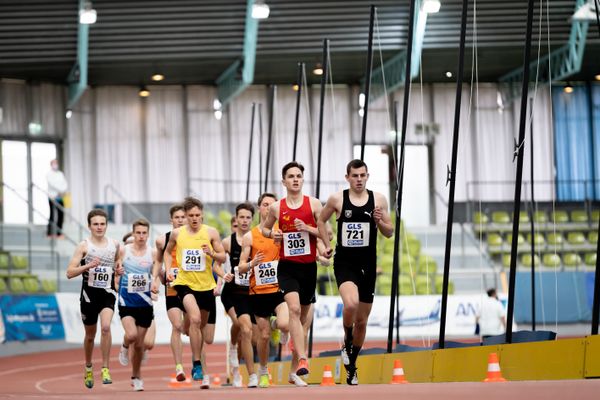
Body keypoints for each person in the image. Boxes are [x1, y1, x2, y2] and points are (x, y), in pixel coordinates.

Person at [318, 159, 393, 385]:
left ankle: (352, 363)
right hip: (345, 262)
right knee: (350, 304)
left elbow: (389, 232)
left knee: (362, 321)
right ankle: (347, 339)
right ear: (347, 177)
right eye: (355, 176)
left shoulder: (378, 199)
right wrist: (325, 243)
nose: (359, 180)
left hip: (368, 264)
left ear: (367, 176)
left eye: (362, 175)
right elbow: (321, 221)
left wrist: (380, 222)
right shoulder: (337, 199)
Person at [261, 161, 323, 378]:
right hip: (287, 267)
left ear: (303, 179)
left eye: (298, 176)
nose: (295, 179)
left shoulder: (314, 204)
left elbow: (327, 233)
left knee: (303, 316)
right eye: (291, 176)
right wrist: (273, 235)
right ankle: (303, 359)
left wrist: (309, 229)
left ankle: (284, 330)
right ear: (284, 181)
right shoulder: (277, 207)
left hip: (309, 268)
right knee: (294, 310)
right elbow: (264, 228)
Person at [164, 197, 233, 389]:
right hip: (184, 283)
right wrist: (168, 269)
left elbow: (222, 256)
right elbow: (168, 252)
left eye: (197, 215)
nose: (194, 218)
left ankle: (191, 337)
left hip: (205, 285)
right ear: (185, 216)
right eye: (190, 215)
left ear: (202, 214)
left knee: (203, 332)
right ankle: (196, 364)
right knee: (194, 319)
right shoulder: (177, 234)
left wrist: (211, 254)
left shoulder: (210, 232)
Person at [238, 193, 293, 388]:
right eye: (265, 205)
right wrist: (253, 262)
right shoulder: (249, 236)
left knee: (286, 323)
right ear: (259, 208)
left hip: (279, 288)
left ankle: (277, 324)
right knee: (263, 336)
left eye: (272, 205)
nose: (268, 208)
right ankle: (263, 370)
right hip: (258, 292)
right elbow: (241, 267)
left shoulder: (281, 231)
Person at [65, 209, 122, 389]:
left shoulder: (114, 245)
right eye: (95, 224)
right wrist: (88, 265)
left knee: (106, 327)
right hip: (89, 295)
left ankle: (105, 368)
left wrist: (118, 273)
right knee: (90, 336)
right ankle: (88, 366)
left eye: (102, 224)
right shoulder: (84, 246)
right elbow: (69, 273)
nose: (99, 227)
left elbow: (118, 265)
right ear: (89, 226)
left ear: (106, 225)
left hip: (107, 293)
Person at [117, 219, 156, 391]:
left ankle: (136, 376)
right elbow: (116, 270)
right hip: (126, 301)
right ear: (133, 234)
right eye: (138, 233)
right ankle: (125, 346)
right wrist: (117, 275)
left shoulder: (153, 253)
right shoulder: (123, 251)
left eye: (144, 233)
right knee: (131, 335)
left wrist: (155, 283)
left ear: (148, 234)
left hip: (145, 303)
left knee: (140, 345)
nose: (141, 236)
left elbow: (156, 274)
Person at [150, 204, 188, 381]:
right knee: (177, 326)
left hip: (192, 287)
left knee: (192, 326)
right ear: (171, 220)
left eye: (183, 217)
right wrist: (155, 280)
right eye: (177, 217)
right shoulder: (162, 240)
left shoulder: (194, 237)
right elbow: (158, 262)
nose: (180, 220)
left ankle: (197, 364)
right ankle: (179, 367)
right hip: (172, 287)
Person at [222, 202, 257, 387]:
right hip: (231, 292)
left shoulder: (257, 239)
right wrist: (222, 276)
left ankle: (237, 365)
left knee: (251, 336)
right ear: (236, 219)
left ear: (252, 219)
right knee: (241, 325)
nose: (244, 221)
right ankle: (234, 351)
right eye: (241, 217)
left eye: (248, 217)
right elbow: (216, 264)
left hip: (250, 292)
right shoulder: (228, 242)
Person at [46, 159, 68, 238]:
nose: (55, 165)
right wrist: (60, 190)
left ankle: (59, 233)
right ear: (51, 164)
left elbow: (65, 184)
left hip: (61, 197)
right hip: (52, 197)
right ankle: (49, 233)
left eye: (56, 163)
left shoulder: (60, 174)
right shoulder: (49, 174)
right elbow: (52, 184)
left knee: (61, 215)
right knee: (52, 215)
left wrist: (62, 191)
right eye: (54, 163)